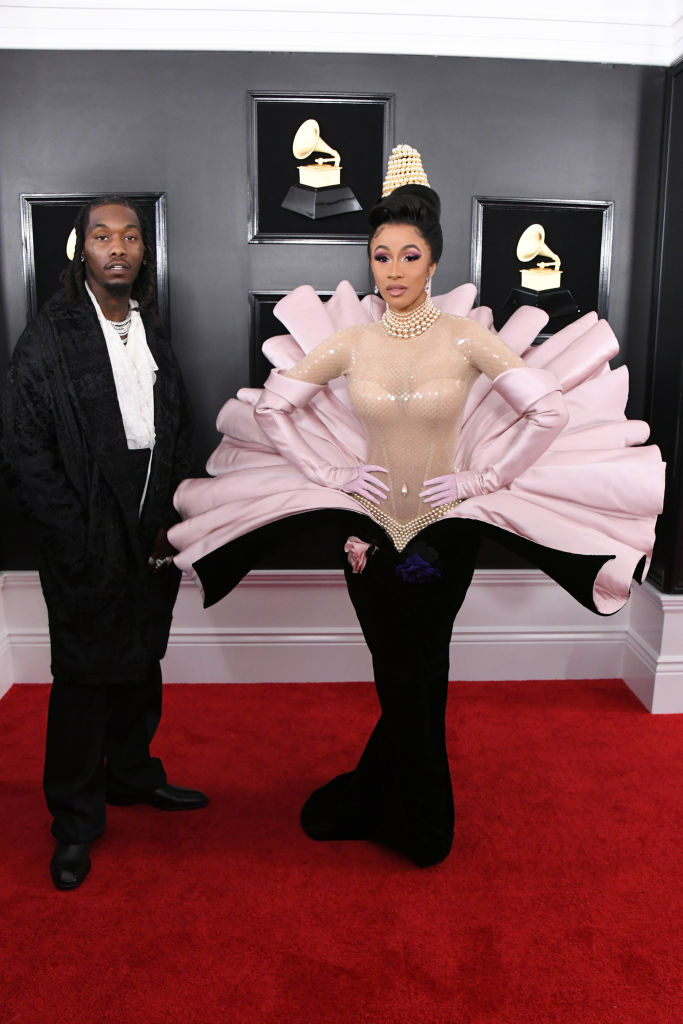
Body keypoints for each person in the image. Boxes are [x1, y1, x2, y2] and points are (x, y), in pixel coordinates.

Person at [169, 146, 664, 868]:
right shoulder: (350, 342)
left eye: (408, 255)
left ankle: (428, 829)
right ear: (370, 262)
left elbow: (547, 413)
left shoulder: (466, 339)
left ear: (431, 261)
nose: (393, 270)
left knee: (418, 668)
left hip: (439, 540)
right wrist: (326, 469)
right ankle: (384, 798)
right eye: (380, 256)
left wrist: (483, 478)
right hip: (367, 539)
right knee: (402, 673)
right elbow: (275, 411)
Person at [0, 196, 208, 891]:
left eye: (129, 237)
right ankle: (74, 823)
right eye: (101, 236)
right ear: (80, 251)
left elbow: (178, 430)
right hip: (84, 536)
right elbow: (24, 454)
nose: (116, 247)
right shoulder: (47, 339)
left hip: (150, 529)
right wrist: (75, 538)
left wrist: (169, 521)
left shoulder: (152, 329)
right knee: (85, 682)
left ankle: (132, 776)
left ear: (142, 253)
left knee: (141, 661)